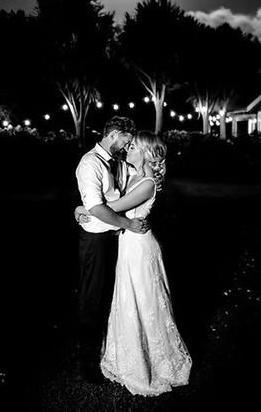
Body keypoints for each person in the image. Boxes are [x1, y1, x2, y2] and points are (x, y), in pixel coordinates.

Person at [75, 131, 192, 395]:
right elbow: (107, 203)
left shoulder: (148, 183)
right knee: (129, 299)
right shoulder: (134, 175)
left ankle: (154, 362)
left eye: (133, 147)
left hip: (140, 247)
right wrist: (86, 207)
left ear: (146, 153)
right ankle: (128, 355)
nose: (128, 150)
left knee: (144, 300)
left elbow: (112, 206)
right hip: (128, 244)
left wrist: (82, 209)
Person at [75, 116, 150, 384]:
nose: (127, 147)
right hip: (96, 240)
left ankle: (111, 350)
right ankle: (87, 360)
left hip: (116, 239)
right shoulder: (90, 163)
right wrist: (128, 223)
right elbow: (96, 207)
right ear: (115, 134)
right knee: (92, 298)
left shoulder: (118, 162)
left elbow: (120, 196)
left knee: (111, 296)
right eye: (126, 141)